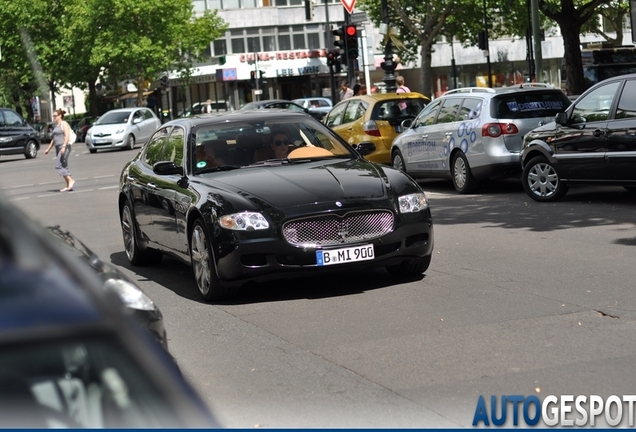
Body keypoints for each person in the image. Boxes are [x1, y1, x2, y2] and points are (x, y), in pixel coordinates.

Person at [44, 109, 75, 192]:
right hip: (58, 148)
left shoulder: (63, 123)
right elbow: (54, 139)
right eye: (53, 116)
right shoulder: (56, 126)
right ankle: (68, 185)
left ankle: (71, 180)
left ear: (60, 116)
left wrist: (64, 146)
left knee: (58, 165)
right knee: (64, 165)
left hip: (64, 147)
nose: (54, 117)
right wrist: (48, 149)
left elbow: (67, 135)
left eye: (55, 116)